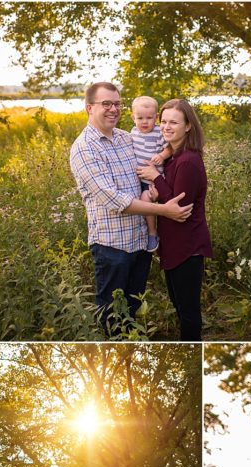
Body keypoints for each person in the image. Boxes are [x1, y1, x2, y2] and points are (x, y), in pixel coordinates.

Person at [69, 81, 194, 335]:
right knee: (111, 313)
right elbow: (113, 199)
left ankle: (129, 354)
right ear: (89, 108)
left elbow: (155, 164)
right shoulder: (84, 149)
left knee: (133, 307)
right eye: (106, 104)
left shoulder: (128, 138)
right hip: (112, 246)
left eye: (117, 103)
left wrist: (157, 188)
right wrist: (164, 211)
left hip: (140, 242)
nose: (113, 109)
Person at [137, 98, 212, 341]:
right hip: (174, 245)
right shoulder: (172, 157)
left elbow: (180, 208)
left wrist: (154, 178)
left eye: (174, 122)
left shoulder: (188, 161)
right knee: (180, 308)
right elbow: (167, 196)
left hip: (187, 247)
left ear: (188, 126)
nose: (167, 127)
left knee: (189, 314)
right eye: (164, 121)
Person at [129, 95, 174, 252]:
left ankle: (152, 233)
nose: (144, 122)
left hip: (154, 180)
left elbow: (170, 148)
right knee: (133, 203)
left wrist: (162, 156)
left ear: (156, 117)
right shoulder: (133, 132)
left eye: (149, 118)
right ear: (133, 117)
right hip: (138, 179)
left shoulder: (158, 133)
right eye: (140, 118)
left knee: (145, 199)